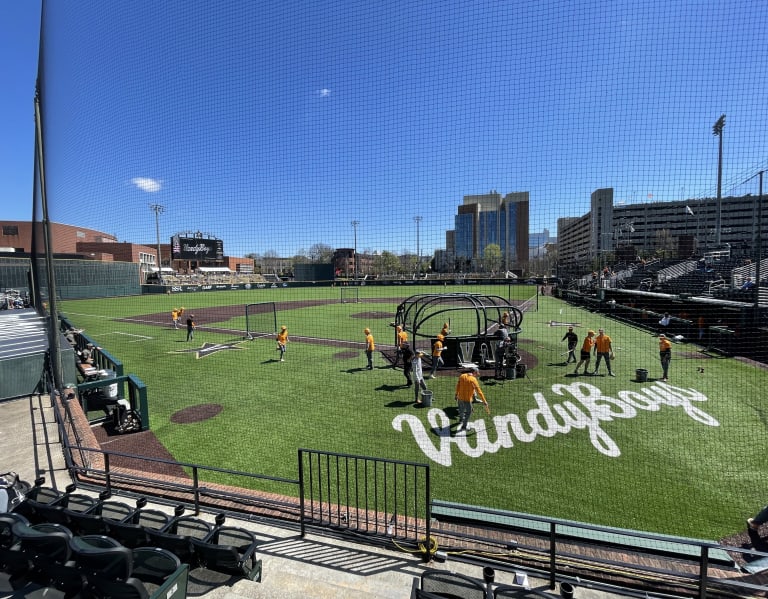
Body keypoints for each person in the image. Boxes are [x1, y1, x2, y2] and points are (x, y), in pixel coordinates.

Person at [454, 366, 489, 435]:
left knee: (461, 409)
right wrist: (484, 401)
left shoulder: (462, 376)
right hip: (467, 400)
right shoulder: (473, 380)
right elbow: (479, 392)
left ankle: (461, 419)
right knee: (469, 412)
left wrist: (456, 395)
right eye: (477, 373)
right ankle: (464, 426)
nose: (477, 375)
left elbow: (458, 385)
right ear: (474, 372)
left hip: (460, 398)